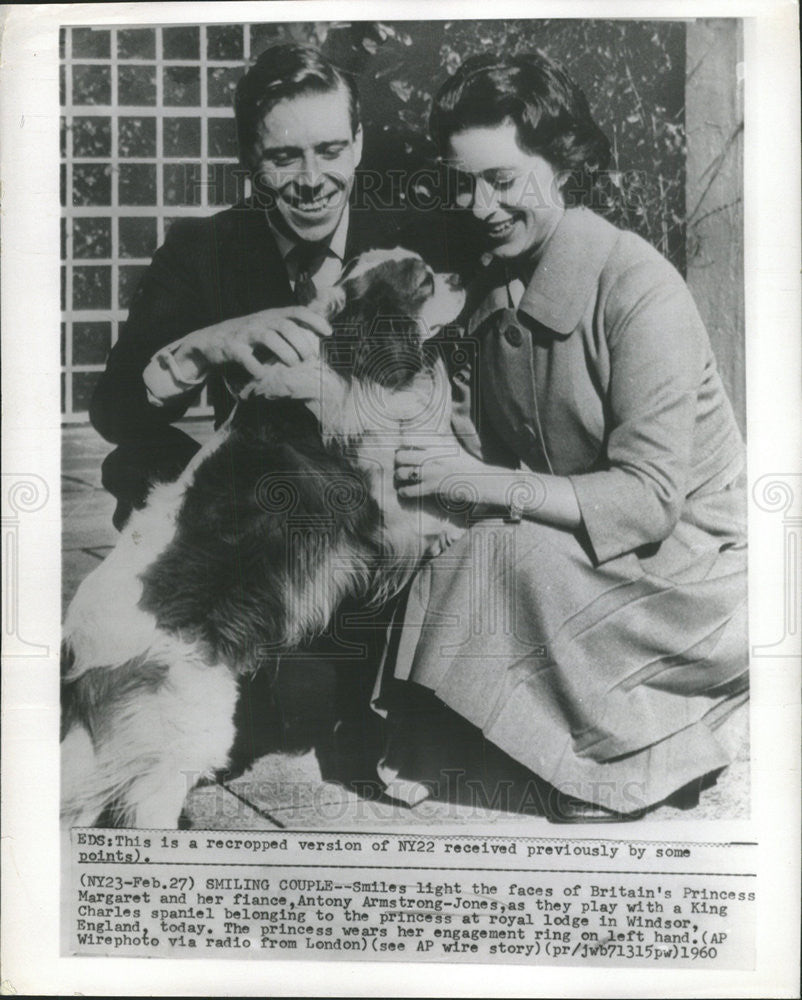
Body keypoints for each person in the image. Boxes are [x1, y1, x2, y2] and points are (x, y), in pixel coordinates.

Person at [384, 53, 749, 821]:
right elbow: (474, 445)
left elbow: (649, 502)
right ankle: (509, 728)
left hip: (692, 568)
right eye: (464, 181)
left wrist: (480, 485)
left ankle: (619, 758)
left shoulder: (638, 286)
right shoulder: (491, 283)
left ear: (564, 165)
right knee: (457, 551)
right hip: (582, 547)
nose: (480, 205)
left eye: (505, 179)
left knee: (509, 552)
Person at [89, 42, 408, 783]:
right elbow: (113, 410)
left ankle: (376, 686)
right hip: (260, 536)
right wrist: (204, 347)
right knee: (138, 463)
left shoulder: (410, 242)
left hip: (365, 513)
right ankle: (194, 654)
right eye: (283, 157)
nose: (311, 180)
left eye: (330, 150)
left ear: (359, 143)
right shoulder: (204, 248)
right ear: (249, 162)